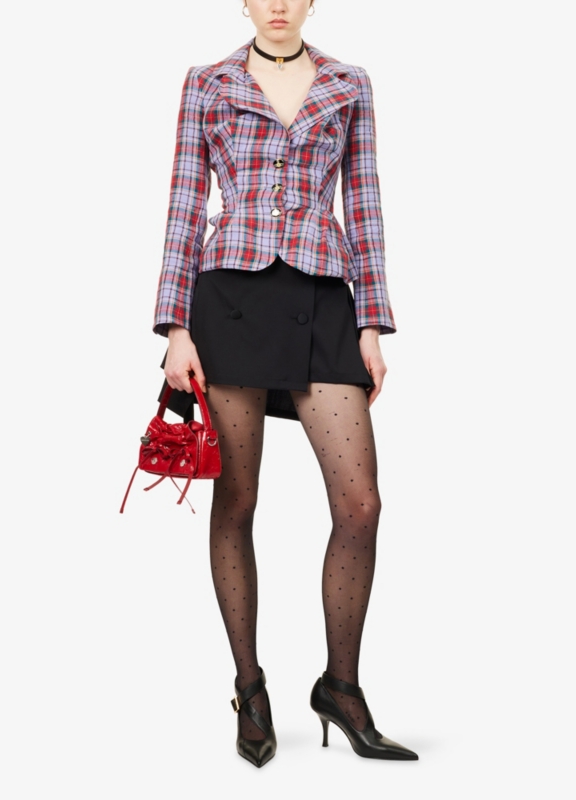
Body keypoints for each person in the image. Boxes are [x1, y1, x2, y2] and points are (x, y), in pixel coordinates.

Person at [153, 0, 418, 768]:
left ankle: (340, 686)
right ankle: (250, 688)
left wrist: (371, 322)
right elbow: (184, 205)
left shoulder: (348, 82)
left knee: (360, 505)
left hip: (323, 297)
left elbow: (363, 202)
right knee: (237, 500)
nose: (277, 3)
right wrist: (175, 327)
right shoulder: (207, 82)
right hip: (228, 299)